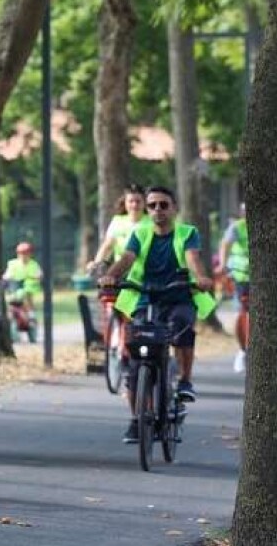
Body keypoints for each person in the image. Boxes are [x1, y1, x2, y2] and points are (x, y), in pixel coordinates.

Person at [98, 185, 215, 443]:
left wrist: (201, 277)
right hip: (146, 297)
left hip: (178, 296)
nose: (157, 210)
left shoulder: (187, 233)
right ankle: (137, 420)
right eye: (152, 206)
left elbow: (192, 258)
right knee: (135, 362)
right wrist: (111, 275)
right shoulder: (139, 233)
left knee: (184, 328)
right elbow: (127, 258)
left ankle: (184, 381)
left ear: (174, 208)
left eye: (163, 205)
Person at [217, 204, 250, 373]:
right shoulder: (237, 227)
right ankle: (242, 350)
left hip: (261, 277)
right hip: (241, 275)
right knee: (242, 312)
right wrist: (223, 263)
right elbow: (225, 244)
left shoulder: (267, 227)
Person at [89, 184, 146, 273]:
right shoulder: (117, 221)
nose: (134, 205)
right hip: (122, 274)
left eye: (138, 201)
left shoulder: (153, 222)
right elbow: (107, 246)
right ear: (125, 203)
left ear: (144, 203)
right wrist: (96, 263)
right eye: (131, 201)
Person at [3, 241, 43, 326]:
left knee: (27, 296)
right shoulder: (12, 263)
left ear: (29, 254)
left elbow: (39, 273)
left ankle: (31, 316)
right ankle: (9, 316)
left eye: (25, 253)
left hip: (29, 286)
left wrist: (37, 276)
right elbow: (7, 274)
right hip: (15, 286)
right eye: (20, 253)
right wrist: (6, 277)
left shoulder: (33, 264)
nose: (23, 256)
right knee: (9, 298)